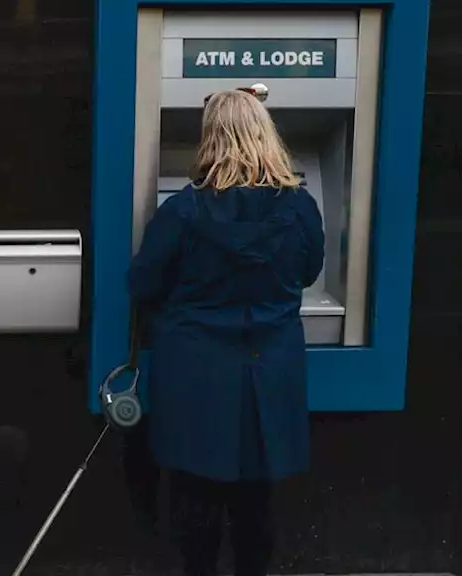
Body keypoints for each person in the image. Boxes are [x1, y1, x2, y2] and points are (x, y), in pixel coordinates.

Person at [127, 89, 324, 576]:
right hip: (268, 373)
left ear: (210, 137)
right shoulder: (300, 208)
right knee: (256, 505)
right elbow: (310, 272)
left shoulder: (183, 211)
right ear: (265, 134)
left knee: (195, 503)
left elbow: (142, 282)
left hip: (195, 375)